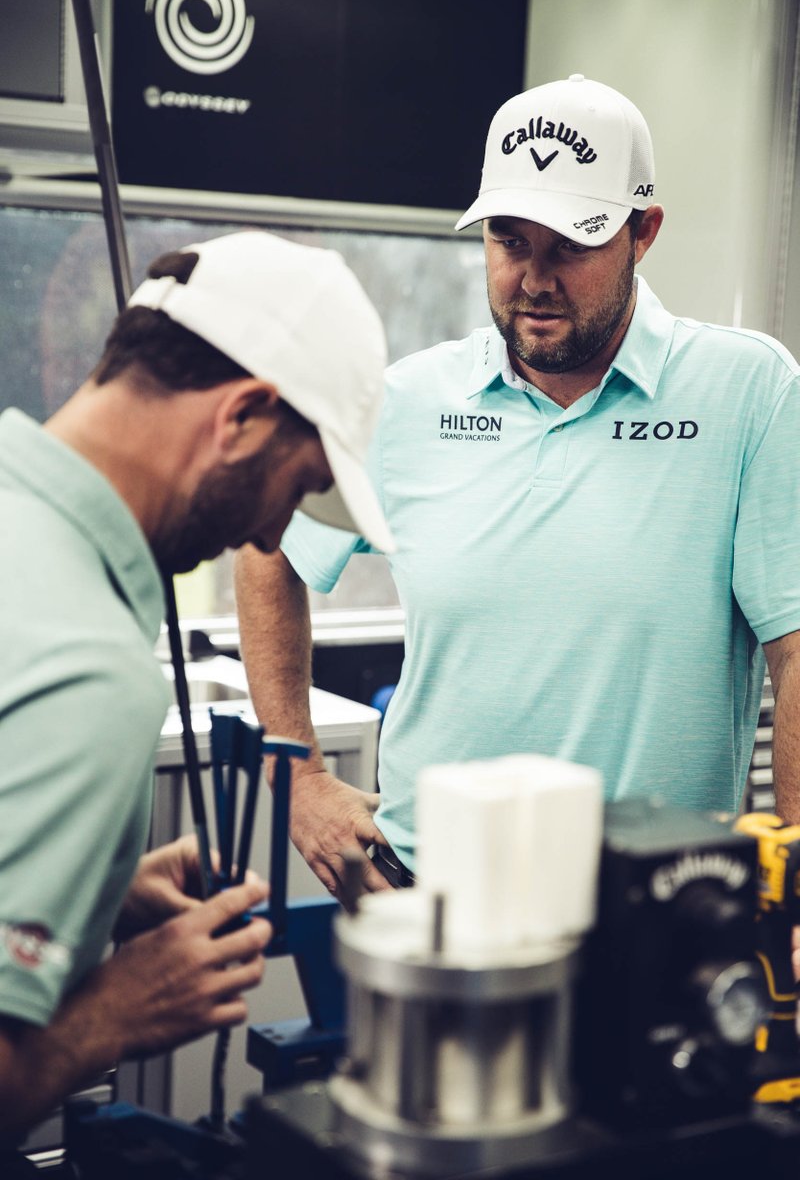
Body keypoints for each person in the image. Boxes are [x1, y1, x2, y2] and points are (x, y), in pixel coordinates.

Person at [234, 75, 800, 902]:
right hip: (427, 895)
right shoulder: (408, 401)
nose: (534, 279)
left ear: (643, 232)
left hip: (658, 903)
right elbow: (268, 549)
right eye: (510, 242)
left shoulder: (748, 392)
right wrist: (301, 778)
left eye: (569, 245)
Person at [0, 228, 393, 1146]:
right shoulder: (91, 675)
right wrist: (110, 1013)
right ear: (242, 416)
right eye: (293, 488)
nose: (269, 532)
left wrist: (97, 893)